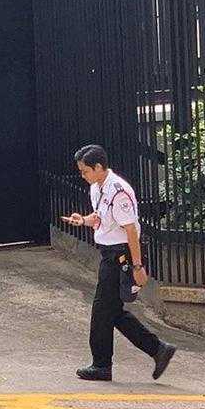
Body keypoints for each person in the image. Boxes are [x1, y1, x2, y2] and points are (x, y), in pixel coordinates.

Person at [63, 144, 177, 382]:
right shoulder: (98, 188)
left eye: (85, 171)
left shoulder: (119, 191)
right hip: (108, 253)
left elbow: (130, 231)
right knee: (112, 312)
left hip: (120, 256)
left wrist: (138, 267)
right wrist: (83, 220)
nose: (83, 176)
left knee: (102, 311)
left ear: (98, 167)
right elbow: (101, 218)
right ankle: (157, 349)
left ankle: (102, 365)